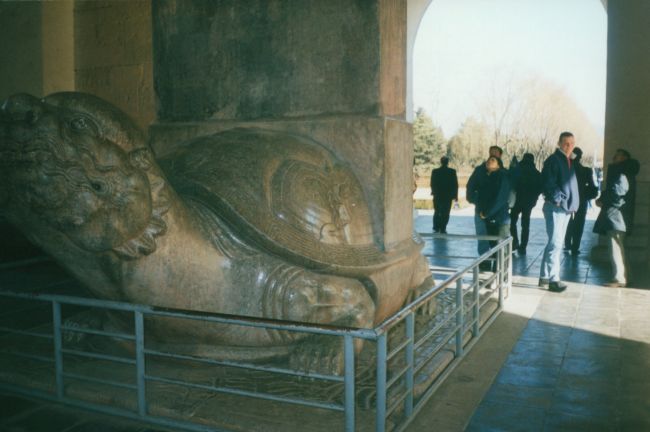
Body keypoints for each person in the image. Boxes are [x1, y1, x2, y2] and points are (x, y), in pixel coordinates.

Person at [593, 149, 640, 287]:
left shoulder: (622, 172)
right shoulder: (627, 172)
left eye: (617, 156)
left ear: (624, 158)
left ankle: (619, 277)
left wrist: (603, 200)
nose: (613, 158)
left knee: (615, 248)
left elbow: (617, 192)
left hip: (616, 216)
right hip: (620, 216)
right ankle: (627, 276)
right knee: (620, 248)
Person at [539, 132, 579, 292]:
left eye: (571, 143)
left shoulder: (568, 160)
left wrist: (571, 205)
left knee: (554, 242)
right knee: (556, 243)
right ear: (559, 143)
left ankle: (544, 276)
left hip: (565, 208)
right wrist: (559, 201)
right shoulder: (554, 160)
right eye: (565, 143)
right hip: (556, 207)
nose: (569, 146)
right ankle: (553, 279)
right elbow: (548, 182)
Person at [466, 146, 504, 256]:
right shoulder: (479, 170)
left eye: (495, 154)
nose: (493, 156)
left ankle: (496, 266)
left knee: (496, 241)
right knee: (482, 238)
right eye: (491, 153)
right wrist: (476, 200)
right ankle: (484, 263)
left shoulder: (503, 173)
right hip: (480, 211)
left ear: (500, 156)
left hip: (497, 213)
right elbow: (470, 187)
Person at [476, 156, 511, 271]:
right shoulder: (487, 177)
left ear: (499, 165)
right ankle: (496, 275)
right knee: (493, 248)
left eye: (493, 160)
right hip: (490, 218)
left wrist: (487, 213)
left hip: (500, 219)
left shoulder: (503, 177)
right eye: (488, 159)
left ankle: (502, 276)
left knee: (501, 249)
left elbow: (500, 199)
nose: (489, 161)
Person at [564, 147, 598, 255]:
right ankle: (575, 247)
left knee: (567, 221)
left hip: (567, 200)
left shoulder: (565, 169)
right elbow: (593, 188)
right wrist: (587, 195)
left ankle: (567, 243)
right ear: (580, 157)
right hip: (581, 200)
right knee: (579, 224)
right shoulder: (586, 171)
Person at [509, 153, 542, 255]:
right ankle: (523, 246)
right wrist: (534, 198)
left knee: (512, 221)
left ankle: (514, 242)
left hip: (516, 201)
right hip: (528, 203)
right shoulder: (536, 173)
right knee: (525, 224)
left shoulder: (517, 170)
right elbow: (540, 188)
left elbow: (511, 182)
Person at [430, 156, 458, 234]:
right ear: (447, 162)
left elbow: (432, 183)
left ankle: (436, 227)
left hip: (438, 195)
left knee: (437, 211)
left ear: (441, 162)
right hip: (447, 196)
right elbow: (455, 185)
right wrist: (456, 196)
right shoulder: (452, 171)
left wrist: (433, 192)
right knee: (445, 212)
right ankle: (443, 228)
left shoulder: (435, 171)